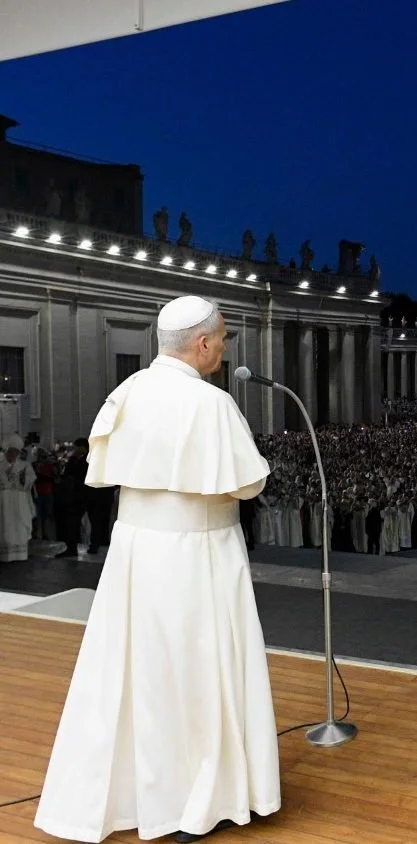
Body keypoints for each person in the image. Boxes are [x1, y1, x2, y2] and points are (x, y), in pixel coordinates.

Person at [35, 296, 280, 842]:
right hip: (201, 554)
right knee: (199, 666)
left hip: (136, 555)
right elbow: (248, 482)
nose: (221, 349)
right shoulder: (211, 404)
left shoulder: (124, 394)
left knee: (134, 670)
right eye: (220, 340)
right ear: (202, 344)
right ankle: (200, 794)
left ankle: (138, 797)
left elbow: (106, 471)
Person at [0, 432, 35, 561]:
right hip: (3, 500)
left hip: (19, 500)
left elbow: (30, 481)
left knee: (18, 525)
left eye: (15, 452)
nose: (12, 454)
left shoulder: (24, 466)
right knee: (4, 525)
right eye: (10, 451)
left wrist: (21, 480)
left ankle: (19, 554)